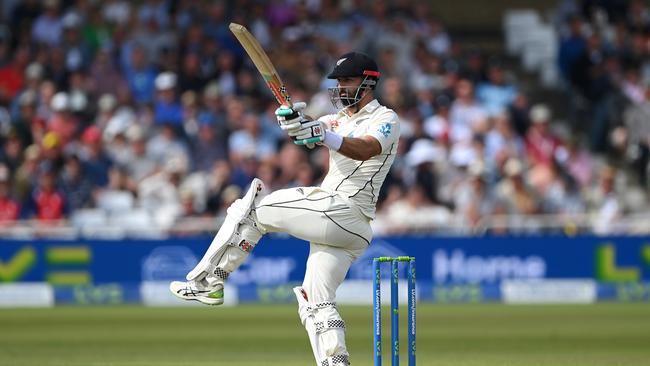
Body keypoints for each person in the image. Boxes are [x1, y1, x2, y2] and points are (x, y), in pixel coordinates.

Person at [170, 52, 400, 366]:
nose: (341, 87)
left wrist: (321, 134)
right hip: (340, 226)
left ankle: (209, 281)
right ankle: (336, 361)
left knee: (252, 208)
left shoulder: (385, 118)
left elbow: (365, 148)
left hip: (343, 211)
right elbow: (307, 135)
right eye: (338, 81)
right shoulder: (337, 119)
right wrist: (292, 123)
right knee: (314, 299)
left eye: (347, 80)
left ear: (369, 81)